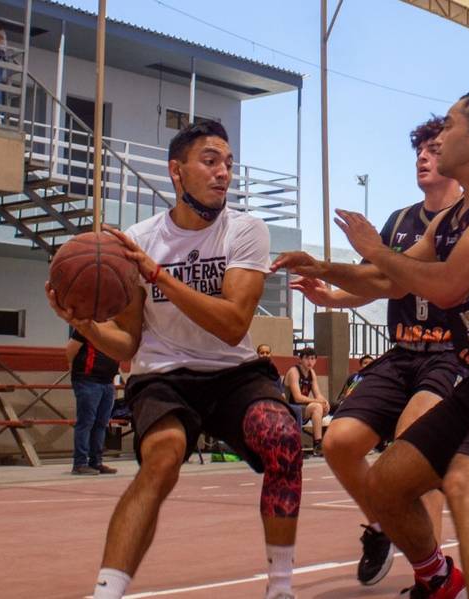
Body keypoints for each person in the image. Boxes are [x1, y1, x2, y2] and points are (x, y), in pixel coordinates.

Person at [277, 90, 469, 599]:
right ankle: (438, 579)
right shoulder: (449, 219)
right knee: (386, 485)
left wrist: (376, 249)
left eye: (449, 124)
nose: (438, 136)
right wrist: (322, 267)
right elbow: (390, 282)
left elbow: (446, 287)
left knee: (468, 485)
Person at [46, 121, 302, 599]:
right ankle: (105, 592)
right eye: (210, 160)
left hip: (234, 373)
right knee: (160, 462)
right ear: (177, 172)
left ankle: (281, 588)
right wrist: (82, 324)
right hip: (164, 376)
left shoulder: (246, 231)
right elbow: (128, 345)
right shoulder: (138, 240)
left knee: (283, 437)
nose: (223, 172)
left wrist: (158, 274)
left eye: (228, 162)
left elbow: (231, 325)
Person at [285, 116, 464, 586]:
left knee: (414, 448)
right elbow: (377, 283)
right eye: (419, 150)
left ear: (458, 155)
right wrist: (332, 296)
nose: (423, 157)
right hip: (403, 352)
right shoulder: (400, 221)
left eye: (434, 149)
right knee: (339, 442)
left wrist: (333, 268)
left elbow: (393, 277)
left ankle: (434, 576)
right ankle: (382, 523)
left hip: (452, 355)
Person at [66, 330, 120, 475]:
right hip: (87, 380)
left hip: (107, 382)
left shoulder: (116, 331)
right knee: (86, 422)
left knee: (102, 423)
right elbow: (71, 349)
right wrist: (74, 370)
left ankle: (96, 462)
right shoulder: (87, 326)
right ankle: (80, 463)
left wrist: (114, 381)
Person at [283, 347, 330, 455]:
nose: (310, 362)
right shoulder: (294, 372)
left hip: (303, 409)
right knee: (316, 406)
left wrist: (324, 402)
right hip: (289, 408)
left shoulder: (311, 373)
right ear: (300, 359)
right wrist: (318, 402)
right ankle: (318, 444)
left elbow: (318, 394)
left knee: (323, 406)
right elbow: (297, 398)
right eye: (307, 358)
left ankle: (318, 444)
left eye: (313, 359)